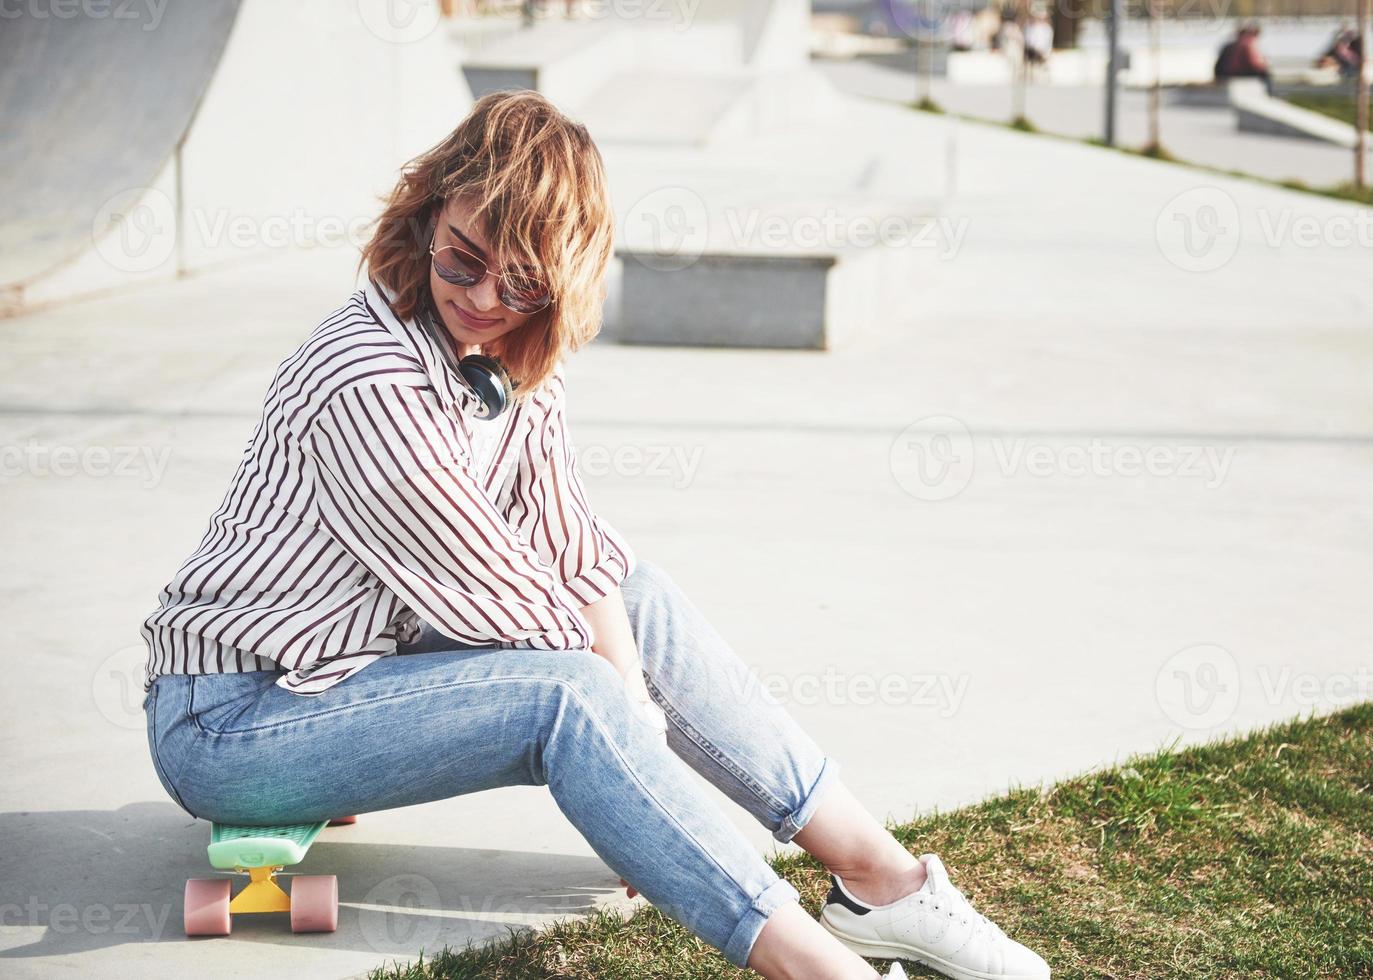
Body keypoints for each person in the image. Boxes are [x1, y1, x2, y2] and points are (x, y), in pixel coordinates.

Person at [139, 90, 1052, 980]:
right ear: (426, 219)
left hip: (347, 671)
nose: (485, 297)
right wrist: (634, 745)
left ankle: (880, 880)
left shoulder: (501, 356)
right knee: (568, 695)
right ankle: (818, 971)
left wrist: (634, 718)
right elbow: (506, 603)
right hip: (234, 720)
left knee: (634, 601)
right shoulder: (369, 384)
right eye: (462, 261)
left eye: (524, 280)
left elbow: (573, 547)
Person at [1216, 21, 1274, 95]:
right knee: (1265, 74)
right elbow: (1255, 63)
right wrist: (1264, 65)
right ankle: (1267, 95)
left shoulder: (1231, 44)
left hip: (1226, 73)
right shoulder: (1248, 43)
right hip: (1236, 73)